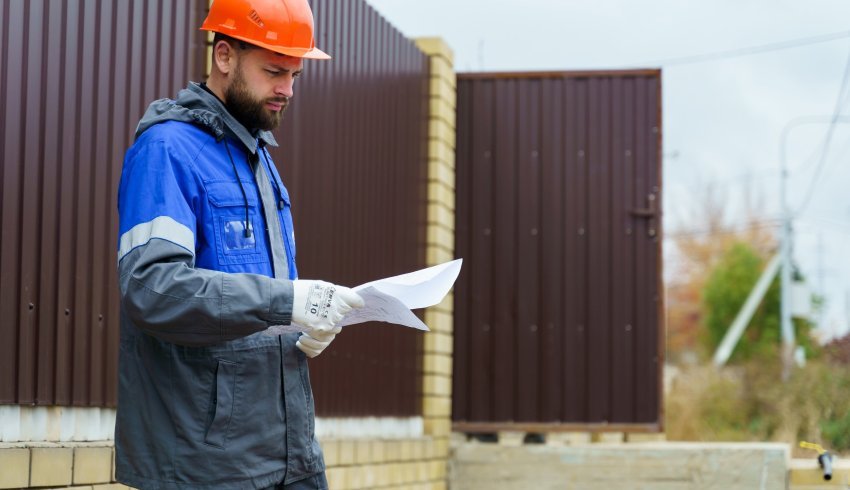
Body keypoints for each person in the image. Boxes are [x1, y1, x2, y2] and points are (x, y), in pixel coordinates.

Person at [114, 0, 363, 488]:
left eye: (295, 75)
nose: (287, 90)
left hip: (291, 456)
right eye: (274, 71)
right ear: (224, 56)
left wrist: (304, 323)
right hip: (206, 467)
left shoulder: (259, 162)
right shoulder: (167, 150)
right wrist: (285, 301)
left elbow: (250, 302)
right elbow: (152, 287)